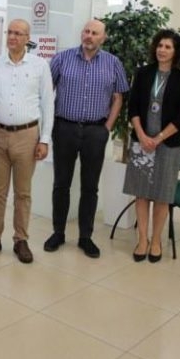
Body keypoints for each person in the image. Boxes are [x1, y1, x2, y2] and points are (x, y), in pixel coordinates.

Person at [44, 19, 129, 258]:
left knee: (90, 187)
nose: (89, 36)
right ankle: (58, 232)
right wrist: (48, 125)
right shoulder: (62, 59)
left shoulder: (113, 63)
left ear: (103, 38)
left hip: (95, 131)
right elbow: (46, 91)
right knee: (61, 184)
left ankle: (85, 237)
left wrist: (107, 127)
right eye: (86, 31)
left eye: (94, 33)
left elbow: (118, 97)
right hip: (65, 128)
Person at [0, 19, 54, 264]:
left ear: (27, 38)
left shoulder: (40, 66)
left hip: (27, 136)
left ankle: (21, 240)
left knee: (23, 192)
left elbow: (48, 104)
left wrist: (45, 139)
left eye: (18, 33)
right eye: (10, 32)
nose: (13, 37)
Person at [122, 30, 180, 263]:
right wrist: (142, 136)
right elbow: (133, 107)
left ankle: (156, 240)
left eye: (168, 47)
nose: (162, 50)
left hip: (168, 144)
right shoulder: (143, 73)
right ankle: (142, 239)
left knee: (162, 194)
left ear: (176, 51)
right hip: (141, 142)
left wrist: (158, 138)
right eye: (160, 45)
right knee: (141, 192)